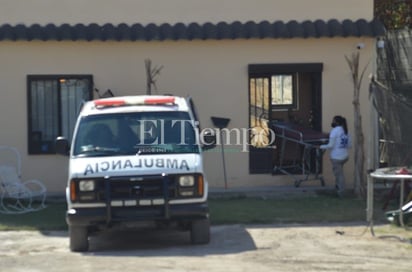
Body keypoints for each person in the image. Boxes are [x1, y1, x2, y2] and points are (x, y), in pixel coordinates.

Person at [320, 115, 351, 197]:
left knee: (339, 175)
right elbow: (349, 145)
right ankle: (337, 188)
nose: (332, 122)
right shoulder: (346, 130)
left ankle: (341, 192)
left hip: (336, 157)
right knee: (338, 173)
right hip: (344, 155)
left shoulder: (335, 131)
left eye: (333, 121)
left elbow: (330, 145)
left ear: (336, 122)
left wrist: (321, 146)